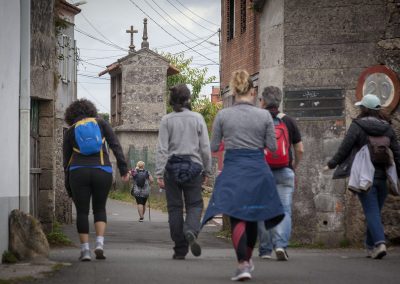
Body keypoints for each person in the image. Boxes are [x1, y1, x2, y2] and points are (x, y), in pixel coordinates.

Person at [202, 70, 284, 281]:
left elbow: (213, 146)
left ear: (233, 90)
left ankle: (243, 264)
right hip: (258, 169)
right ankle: (247, 261)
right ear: (252, 90)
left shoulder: (223, 115)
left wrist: (230, 139)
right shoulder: (264, 115)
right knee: (253, 217)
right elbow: (273, 147)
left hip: (233, 169)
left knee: (237, 215)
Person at [325, 94, 400, 259]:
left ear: (364, 108)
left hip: (365, 176)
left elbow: (345, 147)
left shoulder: (358, 125)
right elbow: (397, 152)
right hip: (383, 177)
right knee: (374, 211)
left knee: (372, 211)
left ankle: (379, 243)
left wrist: (332, 163)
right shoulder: (387, 127)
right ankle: (369, 245)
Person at [63, 99, 129, 261]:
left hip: (78, 172)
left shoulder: (70, 131)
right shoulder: (101, 124)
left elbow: (66, 162)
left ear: (71, 115)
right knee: (99, 208)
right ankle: (99, 244)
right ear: (91, 110)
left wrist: (68, 186)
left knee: (82, 211)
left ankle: (85, 250)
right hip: (102, 171)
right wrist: (123, 169)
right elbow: (116, 146)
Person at [155, 84, 212, 260]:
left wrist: (159, 172)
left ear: (171, 100)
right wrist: (207, 170)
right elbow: (205, 147)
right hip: (193, 167)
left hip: (171, 168)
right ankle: (191, 230)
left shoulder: (166, 120)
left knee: (174, 208)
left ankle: (180, 249)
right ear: (188, 99)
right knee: (195, 205)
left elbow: (162, 149)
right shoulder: (197, 118)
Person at [257, 86, 304, 261]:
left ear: (263, 101)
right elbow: (300, 149)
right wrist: (294, 165)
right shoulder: (289, 121)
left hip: (263, 171)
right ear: (279, 101)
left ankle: (265, 250)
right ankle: (281, 245)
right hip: (285, 170)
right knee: (284, 210)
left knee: (263, 210)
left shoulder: (258, 121)